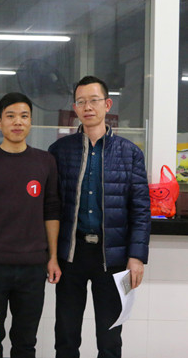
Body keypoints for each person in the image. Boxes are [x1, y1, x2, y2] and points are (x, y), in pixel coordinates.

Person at [48, 76, 151, 358]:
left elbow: (141, 209)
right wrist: (51, 255)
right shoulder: (59, 151)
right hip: (71, 254)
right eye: (81, 102)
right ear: (75, 108)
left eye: (94, 100)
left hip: (113, 256)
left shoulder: (130, 153)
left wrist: (137, 256)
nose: (88, 107)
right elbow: (51, 207)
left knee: (109, 337)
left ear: (107, 105)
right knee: (66, 334)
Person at [0, 92, 61, 358]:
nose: (17, 122)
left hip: (33, 267)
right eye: (10, 116)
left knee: (25, 341)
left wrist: (53, 257)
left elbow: (51, 211)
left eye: (24, 116)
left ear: (30, 121)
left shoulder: (45, 162)